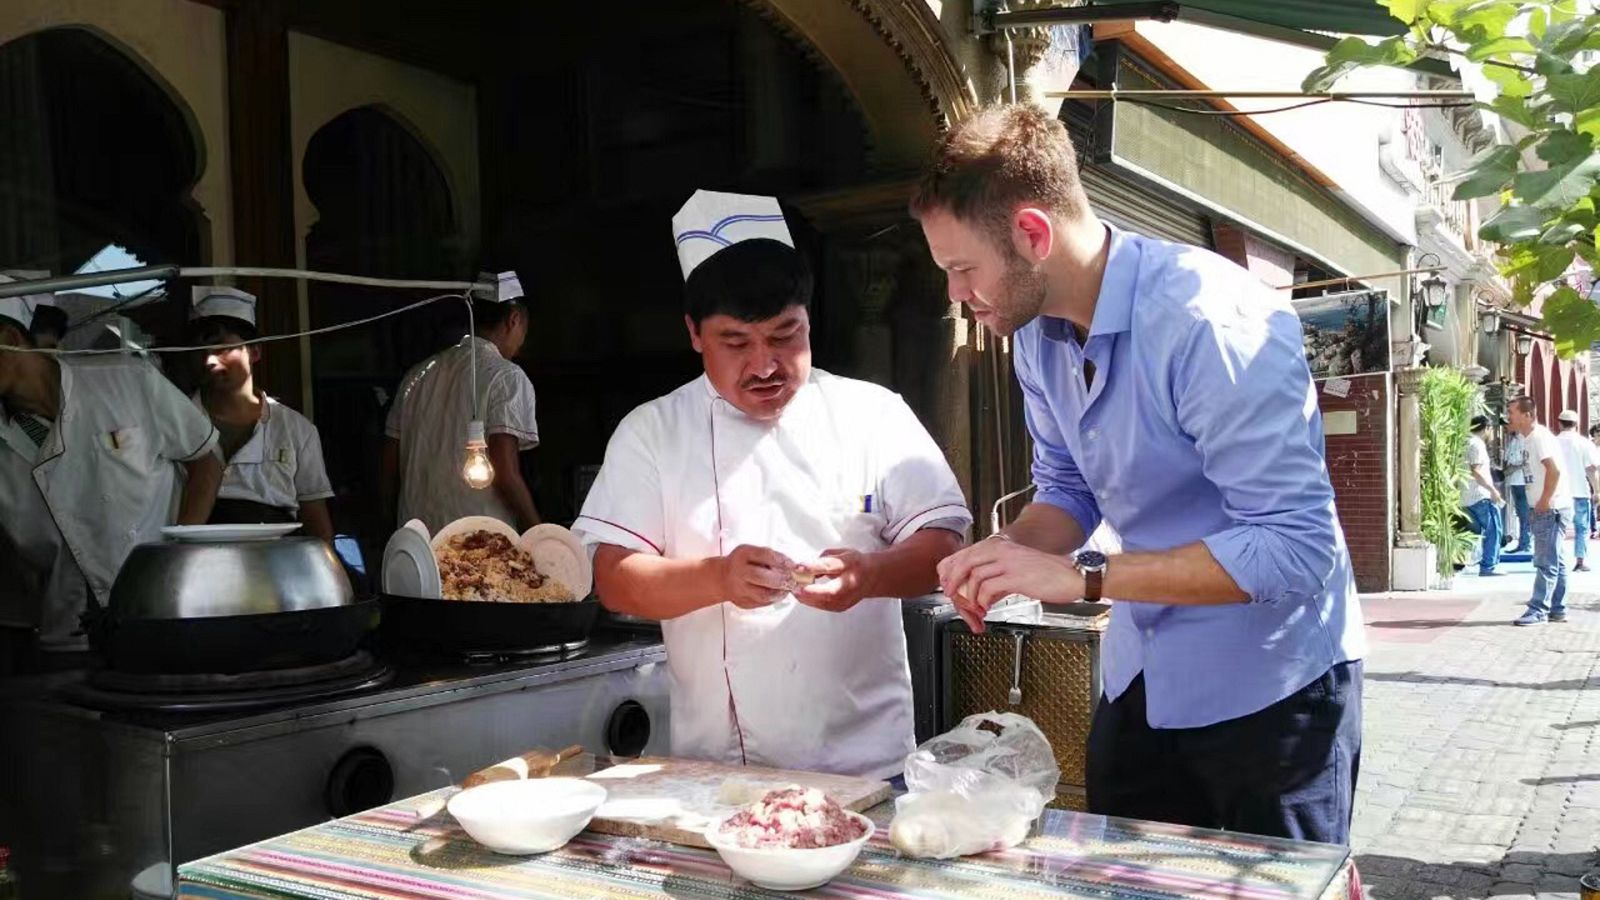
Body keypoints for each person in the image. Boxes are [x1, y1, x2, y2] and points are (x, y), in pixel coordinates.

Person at [912, 105, 1364, 844]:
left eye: (963, 269)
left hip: (1272, 683)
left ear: (1031, 233)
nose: (959, 294)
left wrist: (1085, 578)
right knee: (1123, 880)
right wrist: (1012, 552)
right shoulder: (1034, 336)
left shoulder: (1211, 323)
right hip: (1143, 672)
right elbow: (1067, 487)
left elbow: (1296, 548)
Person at [573, 190, 971, 778]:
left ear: (810, 321)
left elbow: (942, 543)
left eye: (786, 336)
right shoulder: (653, 432)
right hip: (716, 771)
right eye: (736, 342)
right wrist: (718, 577)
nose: (765, 365)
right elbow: (614, 577)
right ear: (693, 334)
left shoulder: (872, 414)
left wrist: (869, 574)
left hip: (863, 767)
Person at [0, 274, 223, 670]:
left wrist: (176, 556)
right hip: (66, 633)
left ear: (10, 339)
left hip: (159, 612)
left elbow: (206, 461)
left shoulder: (125, 380)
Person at [382, 272, 541, 535]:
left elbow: (388, 465)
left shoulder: (418, 375)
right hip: (479, 549)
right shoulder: (507, 377)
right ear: (515, 320)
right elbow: (504, 471)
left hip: (417, 544)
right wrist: (538, 534)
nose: (522, 342)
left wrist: (390, 528)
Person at [189, 287, 335, 542]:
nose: (210, 361)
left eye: (222, 349)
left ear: (254, 352)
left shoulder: (296, 429)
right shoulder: (178, 421)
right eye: (203, 351)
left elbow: (316, 518)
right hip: (199, 561)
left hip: (275, 563)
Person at [1511, 397, 1571, 625]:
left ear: (1527, 415)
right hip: (1548, 506)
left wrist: (1545, 500)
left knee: (1546, 561)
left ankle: (1538, 609)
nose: (1509, 416)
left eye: (1513, 411)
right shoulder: (1527, 438)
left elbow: (1553, 470)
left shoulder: (1539, 438)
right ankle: (1558, 608)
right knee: (1556, 559)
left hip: (1551, 508)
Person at [1555, 409, 1597, 572]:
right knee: (1582, 528)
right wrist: (1597, 490)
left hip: (1558, 493)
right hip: (1580, 491)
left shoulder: (1553, 442)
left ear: (1559, 423)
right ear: (1576, 425)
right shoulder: (1584, 443)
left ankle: (1558, 559)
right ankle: (1580, 561)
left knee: (1558, 529)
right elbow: (1591, 469)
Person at [1462, 415, 1503, 576]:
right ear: (1486, 428)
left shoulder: (1464, 442)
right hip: (1480, 495)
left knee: (1473, 532)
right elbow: (1476, 470)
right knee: (1494, 529)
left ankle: (1469, 562)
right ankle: (1488, 565)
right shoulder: (1477, 444)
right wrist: (1492, 490)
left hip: (1466, 495)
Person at [1503, 426, 1532, 552]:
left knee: (1524, 514)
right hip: (1515, 481)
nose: (1505, 428)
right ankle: (1524, 542)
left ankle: (1525, 543)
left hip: (1521, 481)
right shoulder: (1513, 441)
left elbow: (1519, 462)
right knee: (1521, 514)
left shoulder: (1522, 441)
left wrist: (1511, 467)